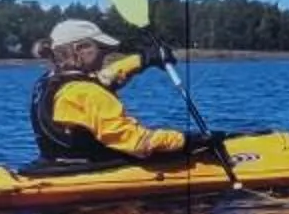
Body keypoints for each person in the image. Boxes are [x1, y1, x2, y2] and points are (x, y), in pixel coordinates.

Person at [30, 19, 218, 166]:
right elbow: (139, 143)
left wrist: (144, 59)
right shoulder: (87, 92)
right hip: (92, 166)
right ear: (79, 49)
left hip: (55, 161)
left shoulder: (49, 81)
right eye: (101, 49)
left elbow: (106, 78)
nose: (106, 55)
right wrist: (190, 140)